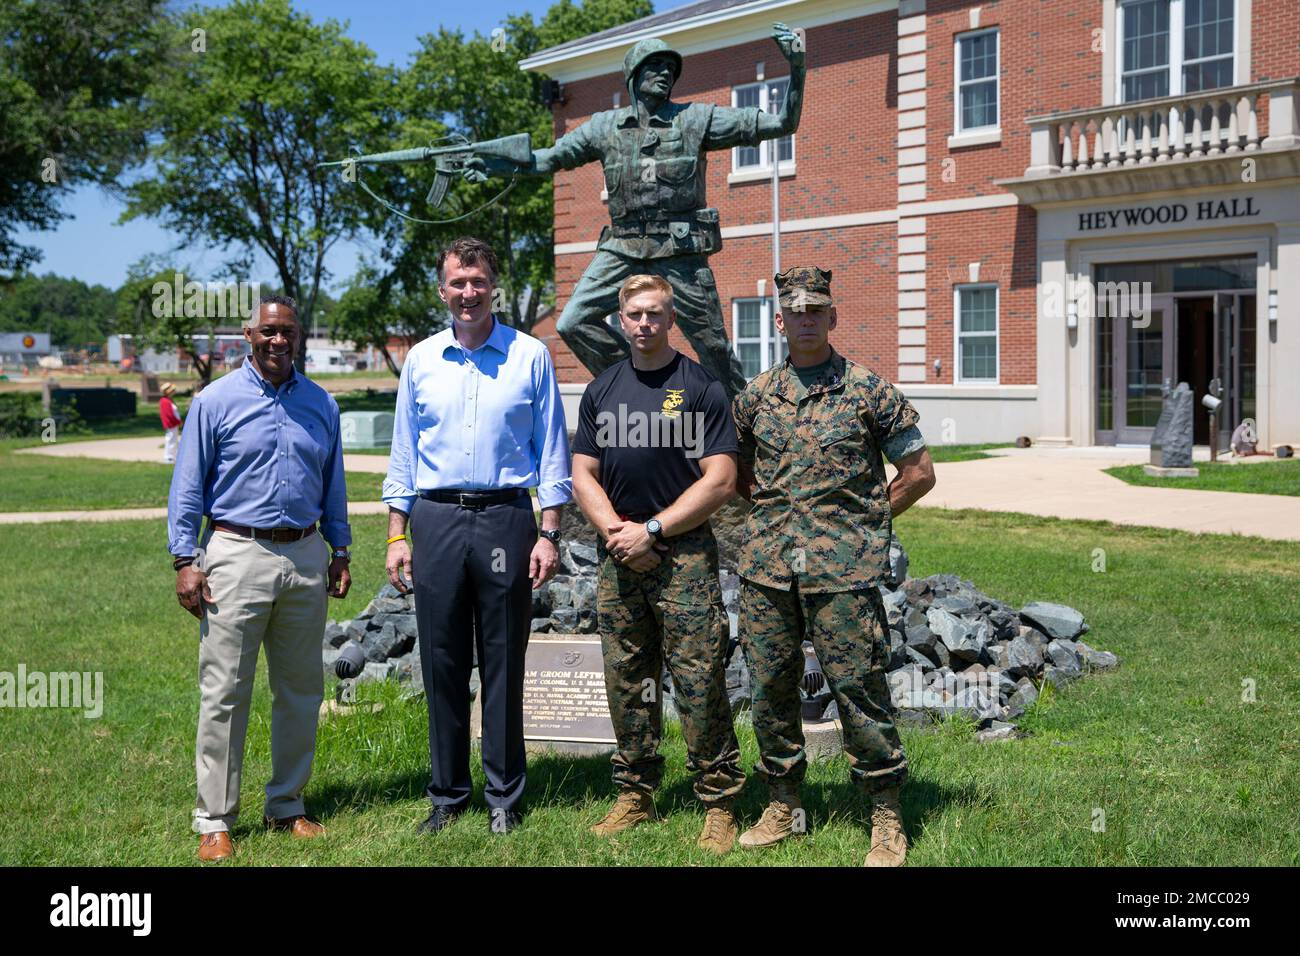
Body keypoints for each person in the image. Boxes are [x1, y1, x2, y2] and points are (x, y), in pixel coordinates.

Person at [463, 24, 805, 397]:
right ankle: (643, 386)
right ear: (633, 75)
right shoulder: (604, 127)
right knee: (573, 321)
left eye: (670, 70)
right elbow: (549, 159)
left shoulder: (696, 119)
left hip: (681, 249)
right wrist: (493, 165)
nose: (664, 75)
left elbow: (782, 123)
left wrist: (797, 69)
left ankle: (740, 425)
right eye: (654, 67)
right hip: (623, 246)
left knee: (714, 347)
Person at [731, 267, 936, 866]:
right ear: (779, 321)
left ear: (832, 316)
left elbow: (919, 473)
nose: (806, 319)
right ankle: (783, 804)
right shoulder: (757, 396)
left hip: (843, 573)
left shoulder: (869, 391)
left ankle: (885, 814)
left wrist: (865, 522)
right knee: (769, 687)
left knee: (859, 687)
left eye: (816, 310)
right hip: (768, 569)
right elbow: (736, 475)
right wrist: (777, 517)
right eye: (795, 312)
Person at [383, 237, 571, 836]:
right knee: (440, 659)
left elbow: (552, 454)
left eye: (478, 282)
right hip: (436, 519)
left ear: (494, 287)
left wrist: (548, 533)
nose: (469, 293)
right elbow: (403, 453)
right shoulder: (421, 360)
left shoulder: (530, 356)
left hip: (506, 518)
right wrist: (396, 533)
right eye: (457, 283)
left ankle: (505, 795)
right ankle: (447, 793)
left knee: (503, 659)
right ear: (443, 291)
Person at [168, 294, 353, 863]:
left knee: (300, 691)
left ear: (300, 337)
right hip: (234, 553)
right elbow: (189, 485)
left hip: (303, 556)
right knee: (225, 692)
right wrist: (184, 560)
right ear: (249, 334)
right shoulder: (215, 400)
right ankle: (215, 819)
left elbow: (333, 481)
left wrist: (339, 546)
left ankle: (287, 805)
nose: (279, 341)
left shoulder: (321, 404)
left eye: (288, 332)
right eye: (268, 331)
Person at [571, 274, 745, 854]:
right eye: (635, 314)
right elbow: (582, 474)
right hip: (618, 556)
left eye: (656, 314)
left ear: (672, 321)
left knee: (699, 679)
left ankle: (719, 800)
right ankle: (636, 794)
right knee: (628, 679)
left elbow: (721, 481)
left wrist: (651, 530)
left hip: (684, 557)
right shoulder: (602, 390)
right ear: (620, 320)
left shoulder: (700, 388)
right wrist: (618, 534)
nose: (645, 324)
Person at [160, 382, 182, 463]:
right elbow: (169, 415)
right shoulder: (165, 401)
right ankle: (168, 457)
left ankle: (172, 456)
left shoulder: (168, 400)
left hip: (173, 424)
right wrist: (178, 421)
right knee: (170, 440)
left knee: (173, 440)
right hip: (171, 424)